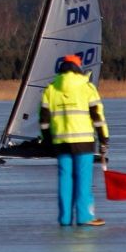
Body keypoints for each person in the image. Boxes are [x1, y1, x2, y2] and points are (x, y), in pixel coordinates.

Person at [40, 54, 109, 227]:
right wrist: (103, 139)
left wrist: (47, 142)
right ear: (78, 68)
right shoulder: (87, 87)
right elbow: (97, 117)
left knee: (65, 179)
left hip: (60, 143)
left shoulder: (51, 89)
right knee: (83, 180)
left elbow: (44, 121)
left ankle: (64, 219)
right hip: (83, 142)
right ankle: (85, 217)